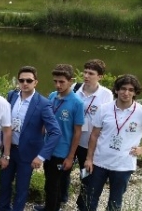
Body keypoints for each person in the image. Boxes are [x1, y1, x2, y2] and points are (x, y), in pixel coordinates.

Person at [84, 74, 142, 211]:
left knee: (115, 202)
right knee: (90, 198)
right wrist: (89, 158)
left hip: (123, 165)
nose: (126, 93)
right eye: (123, 88)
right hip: (99, 162)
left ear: (136, 92)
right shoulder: (104, 108)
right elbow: (94, 135)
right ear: (117, 90)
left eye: (131, 90)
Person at [0, 66, 61, 211]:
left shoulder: (43, 103)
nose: (25, 83)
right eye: (21, 80)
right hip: (9, 149)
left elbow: (55, 132)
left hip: (27, 153)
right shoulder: (11, 96)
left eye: (29, 80)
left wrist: (41, 156)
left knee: (21, 188)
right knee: (4, 184)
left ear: (36, 82)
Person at [62, 59, 113, 211]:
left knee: (86, 175)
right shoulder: (74, 88)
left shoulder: (106, 95)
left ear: (100, 77)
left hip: (88, 143)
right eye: (85, 72)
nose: (86, 76)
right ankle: (61, 197)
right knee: (63, 169)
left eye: (91, 73)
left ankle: (82, 203)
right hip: (71, 139)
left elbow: (107, 120)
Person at [33, 64, 84, 211]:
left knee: (55, 184)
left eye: (62, 82)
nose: (58, 85)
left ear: (70, 80)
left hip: (62, 152)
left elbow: (77, 132)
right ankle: (50, 206)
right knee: (49, 182)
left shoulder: (77, 103)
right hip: (48, 148)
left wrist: (70, 157)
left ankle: (52, 208)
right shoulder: (52, 96)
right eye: (55, 81)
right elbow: (45, 122)